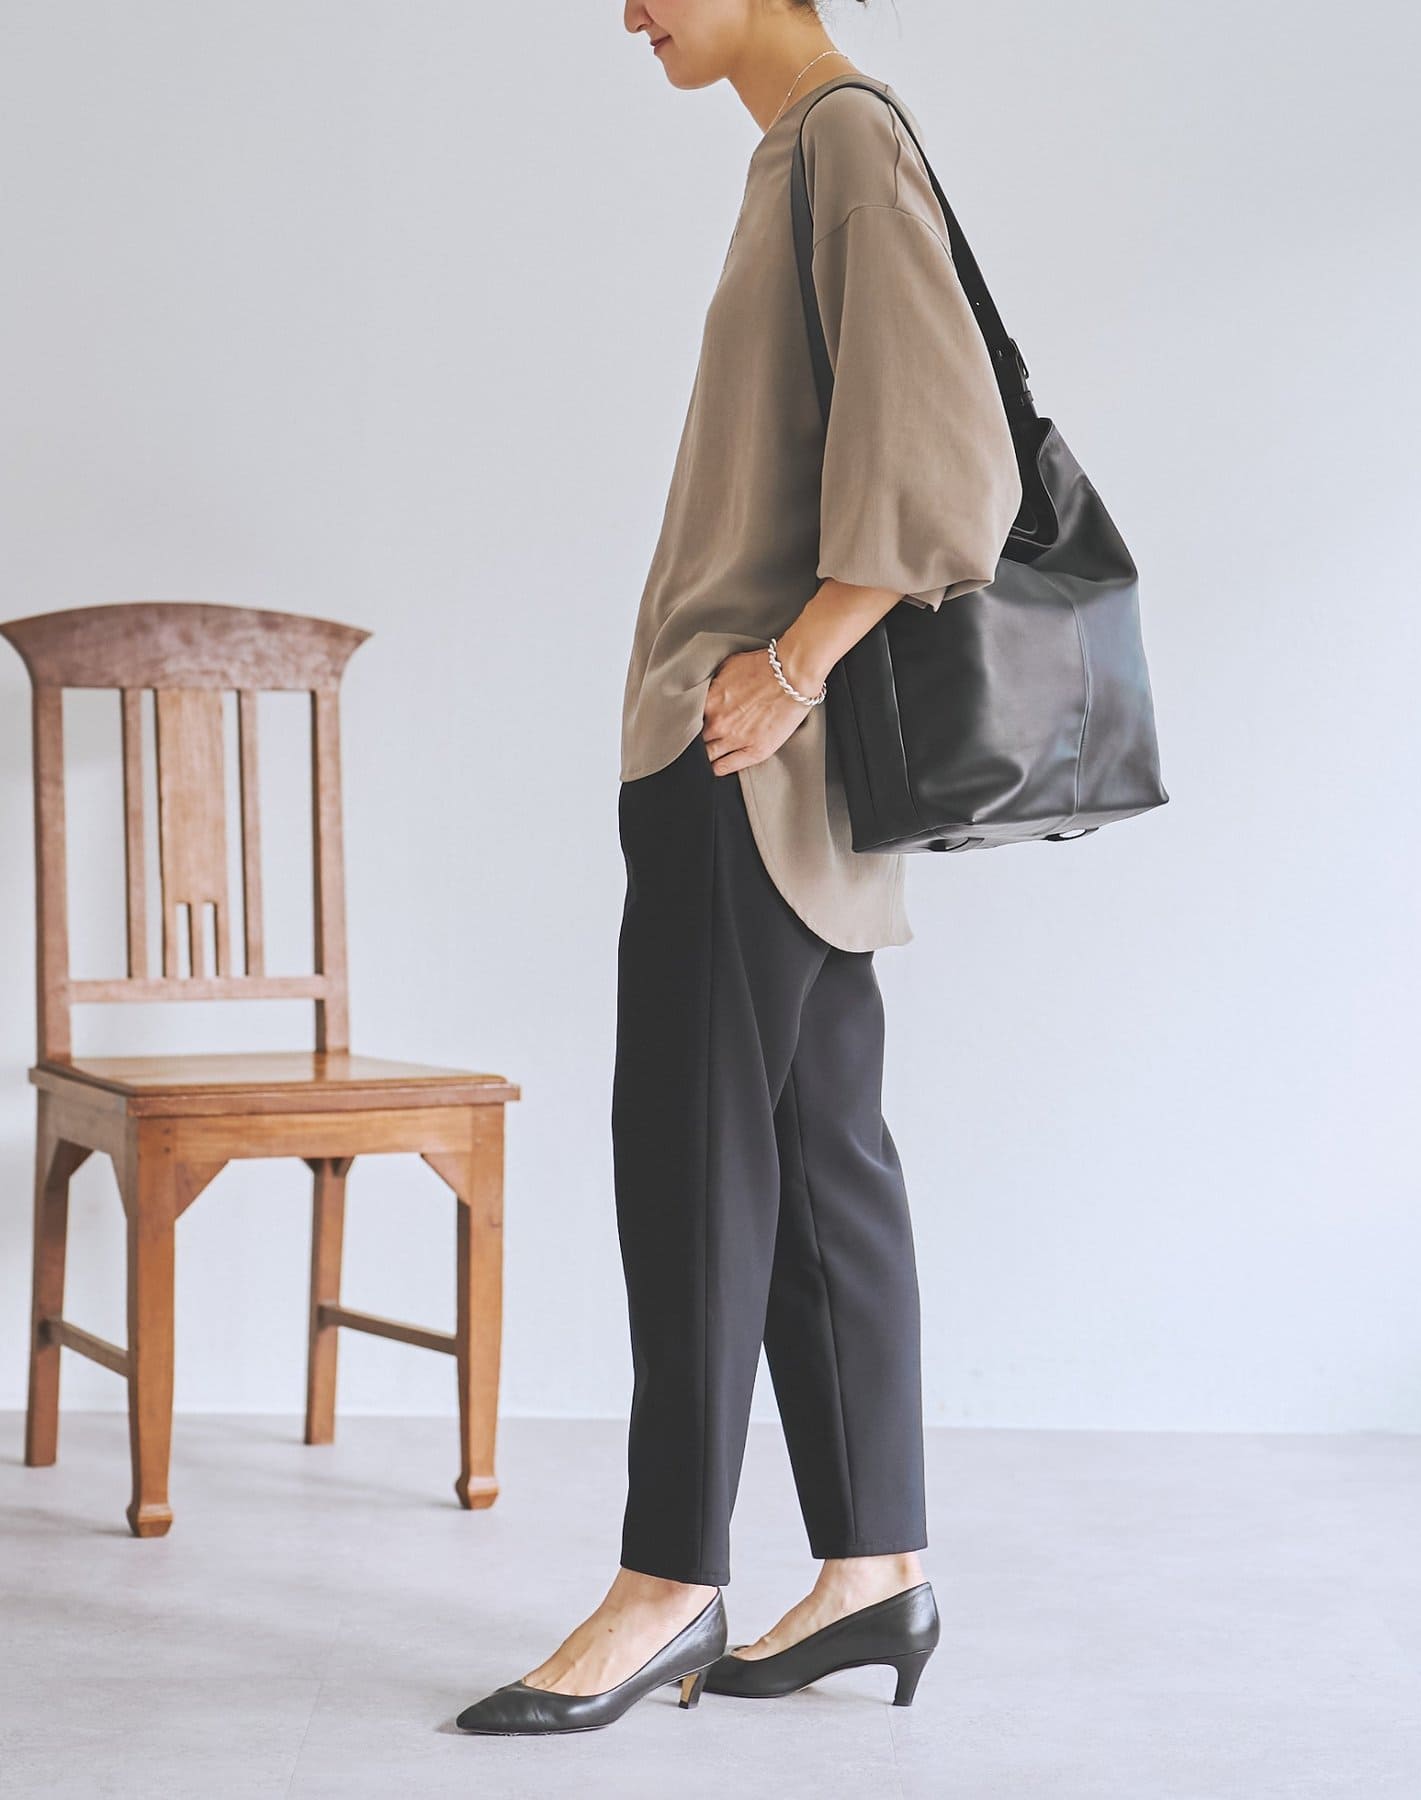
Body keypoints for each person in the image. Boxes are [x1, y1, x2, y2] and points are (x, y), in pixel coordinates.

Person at [456, 0, 1022, 1736]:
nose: (625, 8)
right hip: (782, 771)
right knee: (822, 1162)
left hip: (747, 760)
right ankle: (875, 1567)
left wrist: (787, 666)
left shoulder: (843, 139)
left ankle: (668, 1584)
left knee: (693, 1164)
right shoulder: (809, 150)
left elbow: (955, 462)